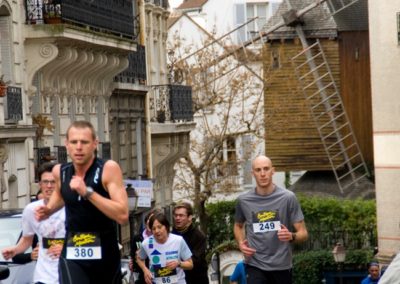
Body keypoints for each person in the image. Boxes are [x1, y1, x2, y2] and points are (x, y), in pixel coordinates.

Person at [35, 120, 129, 284]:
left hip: (104, 252)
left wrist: (87, 193)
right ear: (67, 145)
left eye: (84, 142)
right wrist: (48, 209)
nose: (79, 147)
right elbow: (61, 195)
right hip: (73, 251)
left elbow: (122, 215)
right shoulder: (60, 171)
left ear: (95, 144)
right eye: (74, 142)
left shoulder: (108, 169)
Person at [233, 155, 308, 284]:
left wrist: (292, 236)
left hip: (282, 266)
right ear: (253, 173)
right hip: (254, 264)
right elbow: (238, 225)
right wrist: (240, 243)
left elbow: (303, 233)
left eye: (266, 169)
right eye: (258, 170)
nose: (262, 174)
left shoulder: (288, 198)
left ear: (273, 171)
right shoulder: (243, 200)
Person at [2, 162, 66, 284]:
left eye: (53, 182)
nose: (49, 186)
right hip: (44, 277)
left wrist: (66, 248)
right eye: (45, 182)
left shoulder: (73, 208)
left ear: (60, 184)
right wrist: (15, 250)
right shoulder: (31, 210)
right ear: (40, 184)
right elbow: (27, 240)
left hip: (69, 274)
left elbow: (89, 239)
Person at [137, 212, 193, 284]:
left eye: (159, 227)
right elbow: (139, 258)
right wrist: (145, 270)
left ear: (166, 226)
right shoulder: (147, 243)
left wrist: (179, 264)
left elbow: (190, 264)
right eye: (153, 229)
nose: (157, 231)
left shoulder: (178, 240)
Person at [172, 202, 209, 284]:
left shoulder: (199, 236)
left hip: (195, 279)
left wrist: (178, 263)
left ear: (190, 217)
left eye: (181, 215)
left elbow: (195, 260)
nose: (177, 218)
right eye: (176, 215)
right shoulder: (171, 235)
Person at [129, 209, 161, 284]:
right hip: (143, 278)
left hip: (160, 277)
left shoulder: (162, 238)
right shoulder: (138, 238)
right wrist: (134, 263)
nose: (150, 222)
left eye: (153, 220)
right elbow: (134, 259)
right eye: (149, 219)